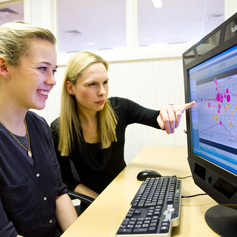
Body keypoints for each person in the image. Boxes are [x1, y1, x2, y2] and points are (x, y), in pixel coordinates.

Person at [50, 51, 195, 205]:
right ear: (70, 88)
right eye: (92, 84)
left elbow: (156, 117)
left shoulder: (119, 108)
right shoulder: (58, 129)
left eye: (105, 82)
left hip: (124, 195)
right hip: (94, 204)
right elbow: (67, 181)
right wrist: (102, 201)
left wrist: (169, 112)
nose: (102, 92)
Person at [0, 21, 78, 237]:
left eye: (53, 70)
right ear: (4, 67)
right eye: (42, 68)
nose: (53, 81)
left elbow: (58, 193)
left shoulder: (39, 125)